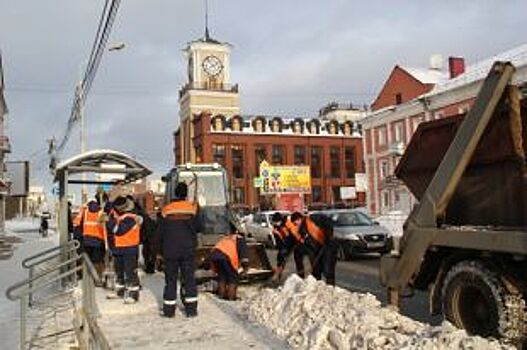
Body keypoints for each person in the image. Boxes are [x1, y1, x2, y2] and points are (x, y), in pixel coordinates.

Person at [159, 182, 199, 318]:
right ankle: (191, 310)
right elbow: (198, 228)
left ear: (175, 193)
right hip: (188, 250)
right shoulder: (192, 209)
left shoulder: (166, 209)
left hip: (170, 251)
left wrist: (159, 251)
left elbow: (160, 232)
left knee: (170, 280)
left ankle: (169, 311)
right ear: (186, 193)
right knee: (189, 279)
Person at [107, 196, 142, 303]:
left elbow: (118, 230)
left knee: (130, 272)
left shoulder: (131, 218)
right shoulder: (121, 217)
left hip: (130, 249)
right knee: (119, 271)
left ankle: (133, 295)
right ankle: (120, 291)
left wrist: (109, 222)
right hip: (119, 248)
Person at [209, 221, 249, 300]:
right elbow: (244, 256)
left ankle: (221, 295)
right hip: (227, 257)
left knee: (222, 276)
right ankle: (231, 297)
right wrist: (245, 268)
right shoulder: (240, 239)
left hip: (215, 257)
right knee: (233, 278)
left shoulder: (226, 238)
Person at [299, 213, 337, 285]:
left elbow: (329, 228)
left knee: (327, 270)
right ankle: (318, 285)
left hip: (327, 248)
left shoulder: (315, 220)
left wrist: (328, 238)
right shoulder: (304, 226)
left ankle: (330, 287)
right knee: (317, 269)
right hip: (317, 249)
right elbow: (305, 239)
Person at [75, 198, 107, 278]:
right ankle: (97, 278)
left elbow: (77, 225)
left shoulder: (84, 212)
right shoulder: (101, 213)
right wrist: (106, 244)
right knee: (97, 261)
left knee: (86, 259)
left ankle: (85, 276)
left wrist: (78, 239)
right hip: (99, 241)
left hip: (86, 240)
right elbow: (106, 228)